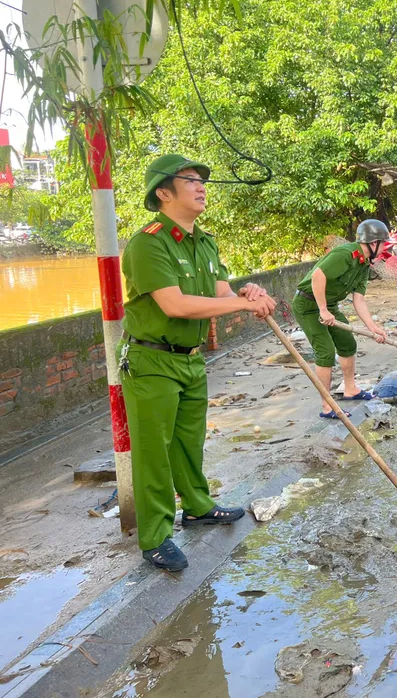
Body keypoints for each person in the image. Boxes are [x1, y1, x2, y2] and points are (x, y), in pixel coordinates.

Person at [119, 154, 277, 572]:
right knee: (154, 451)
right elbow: (175, 304)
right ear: (163, 192)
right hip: (152, 360)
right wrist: (240, 306)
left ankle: (197, 506)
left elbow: (221, 291)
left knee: (189, 442)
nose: (201, 186)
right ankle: (155, 537)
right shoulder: (148, 243)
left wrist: (247, 293)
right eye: (190, 180)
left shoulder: (205, 242)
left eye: (201, 180)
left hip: (190, 360)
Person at [293, 220, 388, 413]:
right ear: (373, 243)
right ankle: (327, 406)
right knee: (326, 352)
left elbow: (359, 300)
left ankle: (350, 389)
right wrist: (322, 310)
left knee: (347, 343)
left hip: (328, 306)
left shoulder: (363, 265)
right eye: (383, 243)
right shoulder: (345, 254)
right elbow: (318, 276)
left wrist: (373, 328)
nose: (385, 248)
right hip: (308, 305)